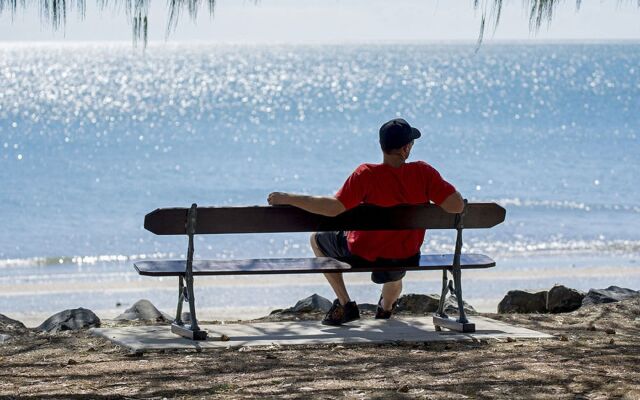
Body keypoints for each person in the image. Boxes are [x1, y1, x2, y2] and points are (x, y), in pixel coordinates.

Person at [267, 118, 464, 325]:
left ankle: (345, 304)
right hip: (406, 253)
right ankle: (385, 309)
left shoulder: (366, 174)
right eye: (411, 144)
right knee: (396, 263)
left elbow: (334, 207)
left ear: (382, 146)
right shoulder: (424, 173)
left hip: (363, 251)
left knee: (317, 239)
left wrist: (288, 198)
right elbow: (456, 206)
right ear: (405, 149)